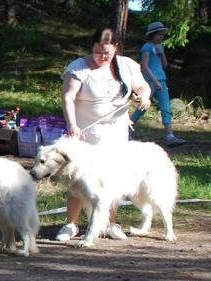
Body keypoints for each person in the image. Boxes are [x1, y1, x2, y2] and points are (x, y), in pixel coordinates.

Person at [56, 27, 151, 242]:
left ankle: (109, 222)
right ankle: (71, 223)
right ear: (92, 47)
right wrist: (72, 126)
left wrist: (144, 96)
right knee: (77, 177)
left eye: (106, 53)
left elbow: (142, 87)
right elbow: (68, 98)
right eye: (98, 52)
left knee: (112, 178)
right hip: (85, 134)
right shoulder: (79, 68)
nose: (102, 57)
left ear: (116, 48)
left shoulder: (126, 66)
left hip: (116, 132)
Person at [130, 21, 186, 146]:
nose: (161, 37)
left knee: (166, 108)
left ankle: (169, 136)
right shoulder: (147, 47)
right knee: (143, 107)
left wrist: (162, 55)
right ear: (152, 35)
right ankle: (127, 127)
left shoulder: (160, 47)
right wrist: (155, 81)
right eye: (159, 35)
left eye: (162, 34)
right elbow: (144, 66)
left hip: (162, 80)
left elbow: (164, 65)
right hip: (150, 81)